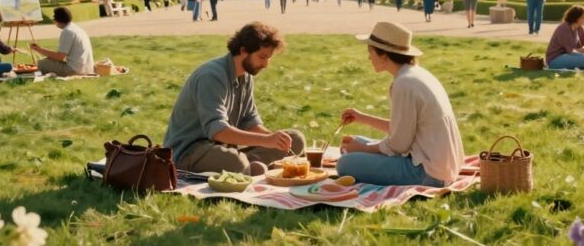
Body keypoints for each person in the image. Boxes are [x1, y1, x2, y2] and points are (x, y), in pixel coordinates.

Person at [163, 22, 305, 175]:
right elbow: (218, 131)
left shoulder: (246, 76)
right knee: (236, 162)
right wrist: (266, 141)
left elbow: (250, 122)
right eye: (262, 57)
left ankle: (248, 168)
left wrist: (274, 139)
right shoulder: (211, 76)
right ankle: (247, 167)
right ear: (243, 50)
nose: (265, 65)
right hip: (189, 152)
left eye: (268, 58)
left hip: (223, 149)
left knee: (296, 139)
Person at [336, 22, 465, 187]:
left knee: (345, 163)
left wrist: (361, 149)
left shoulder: (404, 84)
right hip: (440, 165)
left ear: (384, 54)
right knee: (355, 141)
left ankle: (356, 154)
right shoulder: (416, 74)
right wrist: (362, 118)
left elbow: (398, 145)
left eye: (371, 52)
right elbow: (403, 130)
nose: (369, 57)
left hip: (426, 172)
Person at [30, 7, 95, 77]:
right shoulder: (77, 29)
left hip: (75, 70)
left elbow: (60, 57)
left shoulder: (67, 31)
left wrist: (39, 49)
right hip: (88, 69)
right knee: (48, 60)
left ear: (58, 19)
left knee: (41, 64)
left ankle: (37, 75)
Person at [546, 5, 584, 70]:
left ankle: (582, 66)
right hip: (555, 59)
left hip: (569, 56)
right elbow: (571, 51)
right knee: (583, 58)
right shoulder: (564, 28)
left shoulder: (580, 28)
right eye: (583, 17)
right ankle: (583, 66)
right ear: (576, 17)